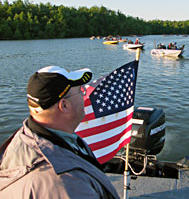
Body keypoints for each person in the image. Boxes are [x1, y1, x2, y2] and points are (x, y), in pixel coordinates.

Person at [0, 66, 119, 199]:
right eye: (80, 91)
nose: (84, 95)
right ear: (64, 106)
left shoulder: (26, 137)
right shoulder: (67, 183)